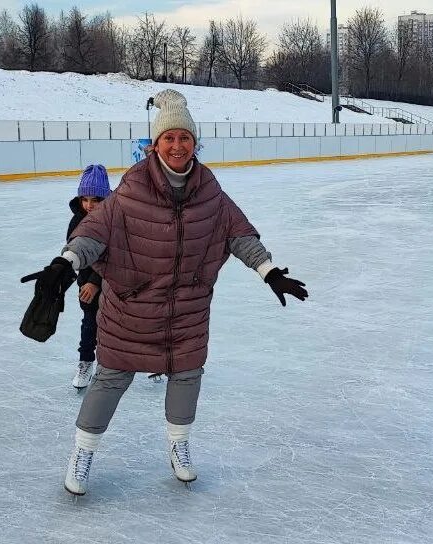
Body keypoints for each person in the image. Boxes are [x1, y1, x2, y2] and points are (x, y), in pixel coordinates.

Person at [21, 90, 309, 496]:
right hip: (132, 308)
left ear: (195, 143)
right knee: (111, 378)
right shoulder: (130, 192)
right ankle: (83, 453)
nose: (177, 146)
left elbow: (238, 233)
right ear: (155, 144)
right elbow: (94, 233)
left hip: (188, 311)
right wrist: (64, 263)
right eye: (169, 138)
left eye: (185, 138)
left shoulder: (210, 190)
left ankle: (179, 445)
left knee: (188, 374)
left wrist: (269, 271)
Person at [67, 165, 110, 389]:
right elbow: (76, 253)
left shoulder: (114, 220)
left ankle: (149, 360)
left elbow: (114, 254)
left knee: (127, 325)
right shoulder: (77, 221)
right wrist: (89, 282)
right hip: (87, 285)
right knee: (90, 325)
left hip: (114, 283)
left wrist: (97, 281)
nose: (89, 205)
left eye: (96, 200)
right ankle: (86, 363)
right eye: (85, 199)